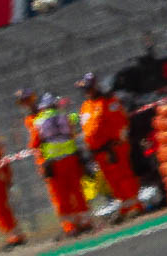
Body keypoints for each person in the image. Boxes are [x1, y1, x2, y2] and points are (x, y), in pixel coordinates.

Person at [78, 73, 142, 220]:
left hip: (113, 148)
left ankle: (135, 205)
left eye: (88, 88)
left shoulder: (108, 101)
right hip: (98, 151)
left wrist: (117, 143)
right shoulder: (86, 106)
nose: (87, 91)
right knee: (112, 180)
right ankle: (125, 206)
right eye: (84, 89)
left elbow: (122, 122)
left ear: (95, 86)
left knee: (124, 176)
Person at [30, 91, 91, 236]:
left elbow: (35, 143)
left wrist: (43, 163)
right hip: (71, 158)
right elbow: (73, 132)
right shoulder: (65, 116)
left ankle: (70, 226)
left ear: (43, 106)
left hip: (54, 162)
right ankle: (85, 222)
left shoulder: (38, 121)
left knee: (61, 195)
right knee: (76, 191)